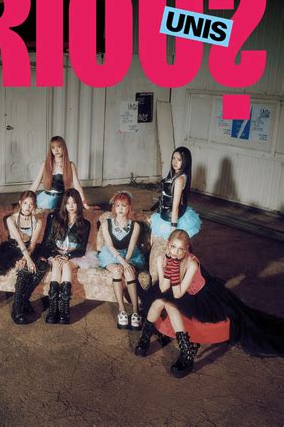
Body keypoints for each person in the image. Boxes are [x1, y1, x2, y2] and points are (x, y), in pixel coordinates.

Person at [134, 230, 284, 378]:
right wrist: (170, 266)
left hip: (195, 295)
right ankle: (144, 338)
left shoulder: (192, 264)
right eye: (173, 247)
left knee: (170, 305)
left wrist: (173, 269)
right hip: (172, 289)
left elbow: (178, 294)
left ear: (186, 249)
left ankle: (186, 351)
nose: (176, 252)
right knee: (159, 301)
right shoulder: (162, 258)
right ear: (168, 245)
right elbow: (163, 288)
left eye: (180, 249)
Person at [0, 191, 48, 324]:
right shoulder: (11, 219)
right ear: (20, 203)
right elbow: (19, 241)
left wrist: (26, 258)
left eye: (31, 204)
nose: (28, 207)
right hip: (13, 249)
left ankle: (24, 300)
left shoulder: (37, 222)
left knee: (43, 265)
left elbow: (32, 244)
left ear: (34, 206)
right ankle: (17, 310)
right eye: (25, 203)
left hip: (29, 250)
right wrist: (28, 260)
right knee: (24, 269)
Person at [41, 188, 96, 325]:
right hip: (55, 252)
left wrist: (68, 256)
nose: (71, 206)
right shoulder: (54, 218)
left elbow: (81, 249)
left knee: (65, 265)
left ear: (79, 204)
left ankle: (64, 310)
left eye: (74, 203)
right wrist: (56, 255)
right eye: (68, 203)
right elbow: (47, 242)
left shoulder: (85, 224)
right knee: (56, 265)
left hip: (74, 255)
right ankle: (53, 309)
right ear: (64, 204)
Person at [149, 146, 201, 284]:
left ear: (185, 162)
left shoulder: (179, 180)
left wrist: (173, 232)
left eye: (179, 160)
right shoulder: (174, 175)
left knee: (172, 252)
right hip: (164, 214)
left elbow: (175, 206)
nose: (175, 162)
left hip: (172, 218)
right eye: (174, 158)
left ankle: (171, 279)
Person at [97, 191, 146, 330]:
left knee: (130, 272)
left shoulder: (135, 226)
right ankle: (122, 310)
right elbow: (109, 245)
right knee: (117, 271)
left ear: (129, 207)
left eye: (124, 206)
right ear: (114, 207)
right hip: (111, 254)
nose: (120, 209)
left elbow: (131, 247)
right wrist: (122, 263)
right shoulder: (106, 223)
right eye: (117, 205)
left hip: (129, 255)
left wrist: (126, 261)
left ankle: (135, 311)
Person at [31, 136, 90, 210]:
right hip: (47, 198)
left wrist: (84, 203)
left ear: (63, 148)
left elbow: (77, 186)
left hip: (62, 198)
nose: (56, 150)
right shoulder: (45, 164)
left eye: (59, 147)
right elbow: (36, 182)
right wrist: (27, 197)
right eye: (53, 148)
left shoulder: (70, 165)